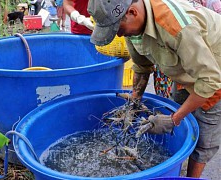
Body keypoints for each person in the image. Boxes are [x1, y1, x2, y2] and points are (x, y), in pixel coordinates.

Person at [87, 0, 221, 178]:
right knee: (179, 114)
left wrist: (174, 119)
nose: (119, 35)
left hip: (215, 73)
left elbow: (210, 80)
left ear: (133, 12)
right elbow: (142, 66)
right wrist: (135, 100)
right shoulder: (132, 27)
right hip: (187, 68)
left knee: (203, 139)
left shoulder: (177, 27)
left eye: (118, 29)